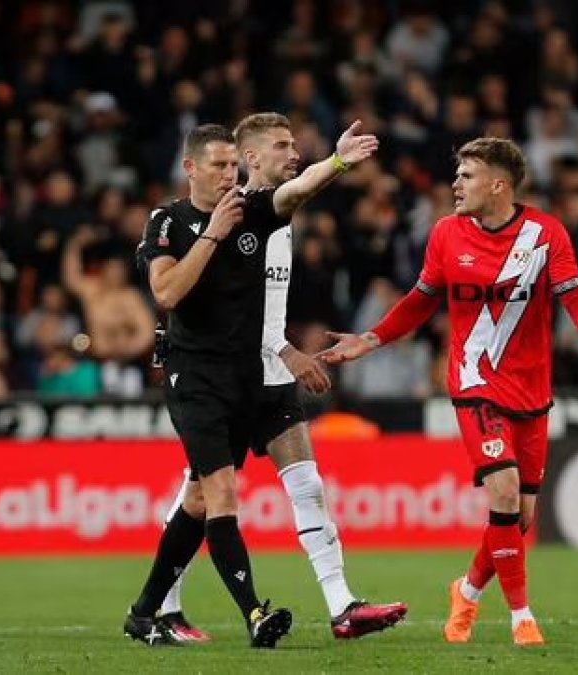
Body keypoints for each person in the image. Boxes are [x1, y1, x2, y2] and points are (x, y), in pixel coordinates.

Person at [320, 138, 578, 647]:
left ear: (498, 185)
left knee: (519, 517)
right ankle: (521, 618)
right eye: (457, 174)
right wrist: (370, 339)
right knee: (504, 491)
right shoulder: (446, 234)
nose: (455, 184)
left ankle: (466, 591)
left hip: (531, 389)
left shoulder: (545, 234)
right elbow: (421, 301)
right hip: (473, 381)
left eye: (467, 175)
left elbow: (574, 296)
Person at [149, 113, 407, 643]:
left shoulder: (277, 217)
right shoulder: (223, 217)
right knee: (201, 495)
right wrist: (286, 350)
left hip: (268, 372)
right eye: (283, 145)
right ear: (251, 159)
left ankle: (342, 606)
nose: (294, 152)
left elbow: (267, 301)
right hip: (227, 371)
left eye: (295, 145)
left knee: (304, 484)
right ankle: (164, 604)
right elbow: (218, 309)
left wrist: (335, 163)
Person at [125, 124, 291, 648]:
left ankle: (144, 612)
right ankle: (256, 614)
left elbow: (294, 192)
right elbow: (168, 292)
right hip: (191, 375)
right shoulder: (167, 220)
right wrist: (213, 233)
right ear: (191, 168)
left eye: (232, 166)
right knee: (221, 492)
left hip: (240, 378)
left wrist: (337, 164)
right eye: (218, 166)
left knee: (198, 499)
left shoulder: (251, 211)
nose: (229, 175)